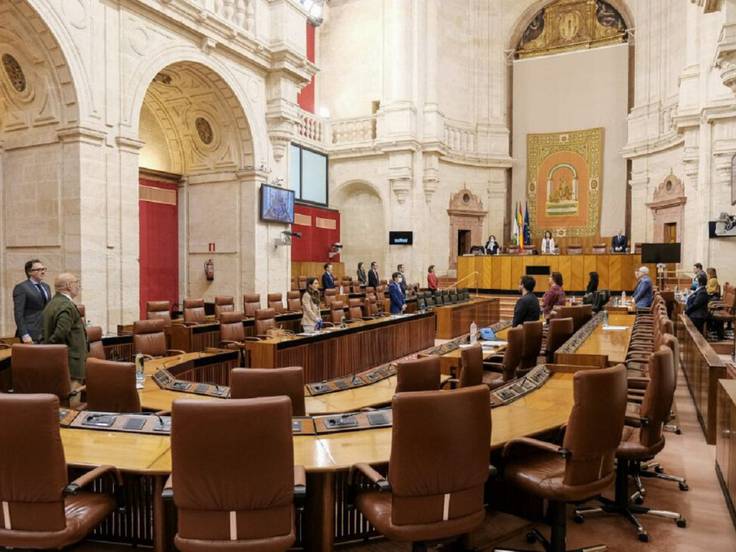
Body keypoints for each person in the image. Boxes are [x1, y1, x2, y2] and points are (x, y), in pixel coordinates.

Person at [43, 273, 87, 380]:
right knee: (74, 393)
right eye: (76, 282)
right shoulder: (66, 305)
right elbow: (60, 333)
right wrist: (48, 347)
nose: (78, 286)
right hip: (71, 362)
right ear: (68, 285)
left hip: (59, 359)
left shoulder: (52, 303)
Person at [12, 259, 52, 343]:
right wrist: (24, 334)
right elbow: (18, 313)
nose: (43, 272)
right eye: (39, 270)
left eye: (43, 269)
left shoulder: (46, 286)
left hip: (45, 332)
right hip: (29, 333)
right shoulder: (21, 287)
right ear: (29, 272)